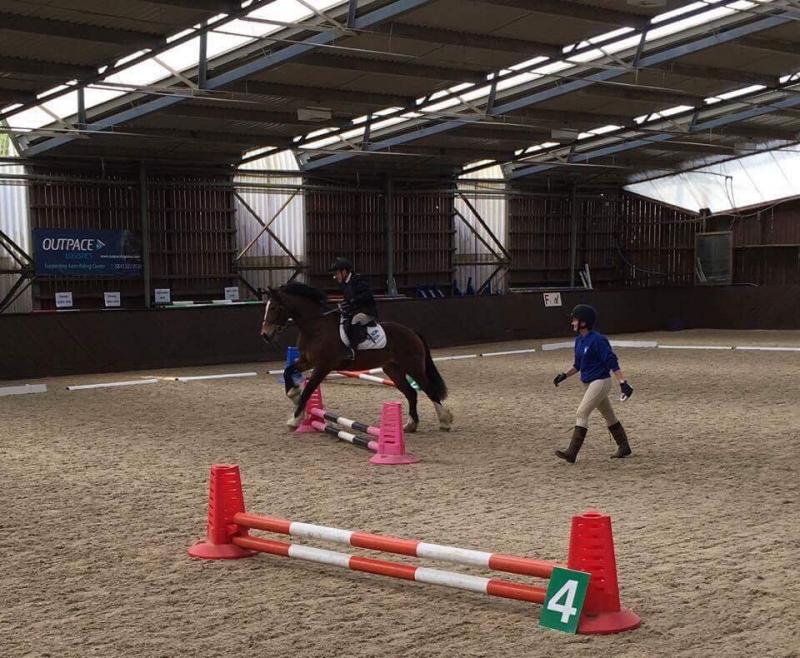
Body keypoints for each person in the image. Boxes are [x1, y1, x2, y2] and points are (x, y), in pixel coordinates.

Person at [552, 304, 634, 463]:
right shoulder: (579, 341)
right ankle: (624, 446)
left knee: (581, 413)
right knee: (609, 415)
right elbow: (578, 365)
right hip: (588, 383)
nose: (572, 323)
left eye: (574, 320)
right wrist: (564, 375)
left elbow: (611, 361)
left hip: (600, 382)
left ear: (583, 322)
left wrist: (622, 382)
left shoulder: (598, 340)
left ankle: (572, 452)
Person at [328, 257, 378, 361]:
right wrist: (343, 304)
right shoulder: (344, 284)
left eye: (337, 273)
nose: (335, 276)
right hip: (355, 311)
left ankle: (353, 350)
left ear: (344, 272)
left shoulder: (358, 280)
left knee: (355, 320)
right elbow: (348, 299)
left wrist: (352, 300)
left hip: (367, 312)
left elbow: (367, 295)